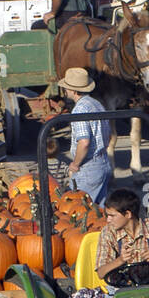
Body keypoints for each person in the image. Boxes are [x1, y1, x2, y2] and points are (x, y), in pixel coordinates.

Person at [58, 66, 112, 206]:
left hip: (88, 166)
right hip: (103, 162)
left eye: (67, 88)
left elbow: (84, 142)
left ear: (74, 91)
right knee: (99, 212)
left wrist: (75, 165)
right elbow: (109, 134)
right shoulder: (97, 104)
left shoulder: (80, 109)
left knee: (79, 210)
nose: (65, 90)